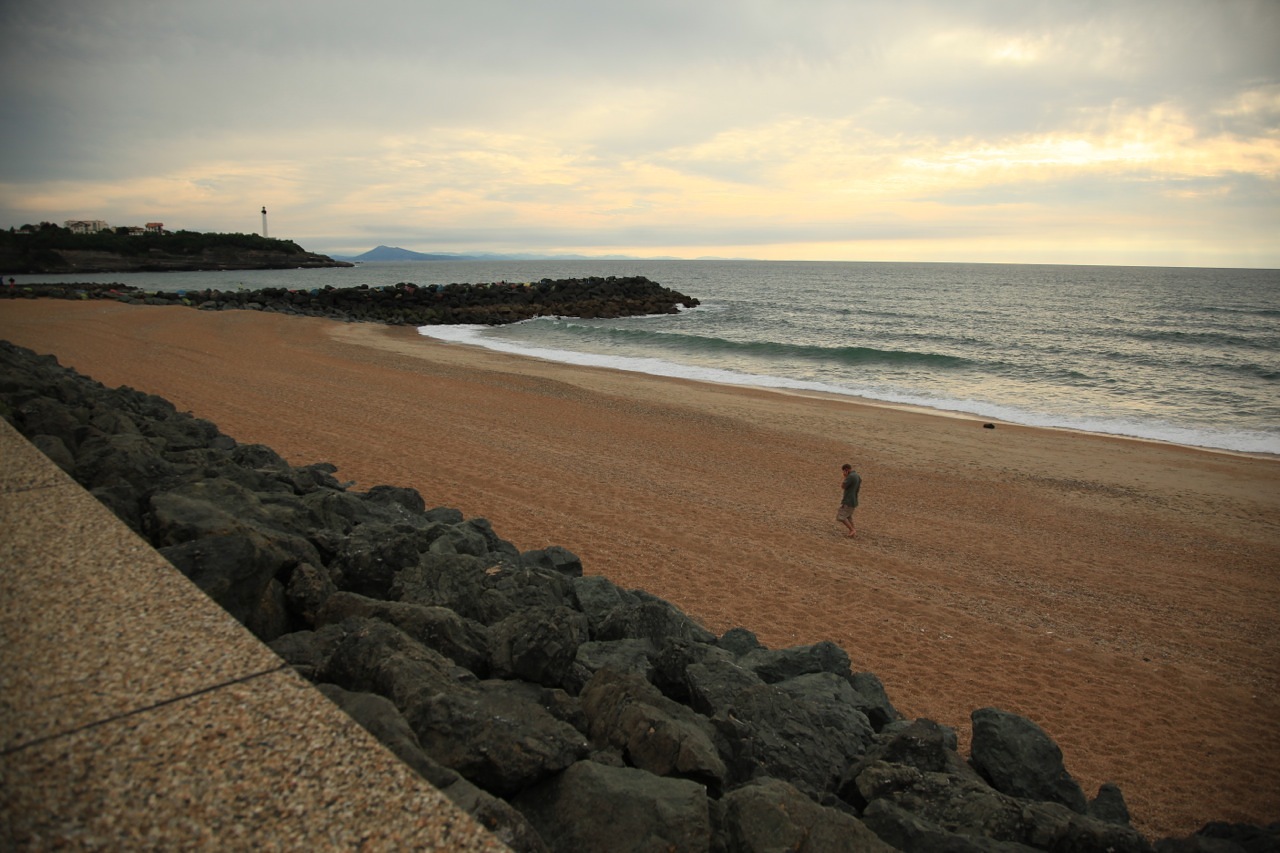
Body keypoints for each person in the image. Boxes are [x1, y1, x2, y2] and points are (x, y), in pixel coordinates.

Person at [837, 463, 861, 538]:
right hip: (854, 500)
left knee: (841, 517)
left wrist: (845, 477)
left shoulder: (850, 476)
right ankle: (853, 532)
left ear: (846, 470)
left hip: (848, 500)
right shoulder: (857, 476)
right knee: (849, 517)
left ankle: (852, 530)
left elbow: (843, 486)